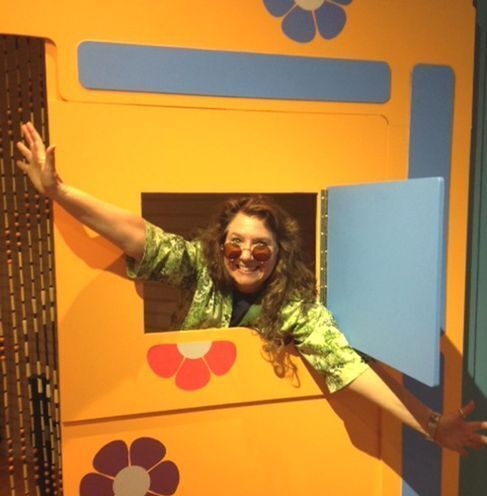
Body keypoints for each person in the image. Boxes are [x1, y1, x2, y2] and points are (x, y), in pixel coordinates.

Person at [16, 121, 487, 455]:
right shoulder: (199, 270)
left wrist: (429, 424)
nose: (245, 255)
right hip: (173, 412)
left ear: (279, 255)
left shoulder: (295, 308)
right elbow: (137, 234)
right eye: (235, 243)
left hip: (241, 430)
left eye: (261, 248)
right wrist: (59, 192)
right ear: (220, 245)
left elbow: (349, 366)